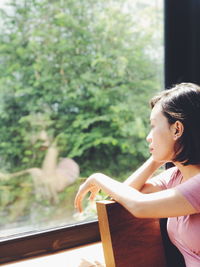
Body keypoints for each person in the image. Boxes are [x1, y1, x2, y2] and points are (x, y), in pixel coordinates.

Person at [74, 82, 200, 267]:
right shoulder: (175, 176)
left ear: (177, 129)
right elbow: (121, 197)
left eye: (153, 126)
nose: (148, 136)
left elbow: (139, 206)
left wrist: (97, 178)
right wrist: (157, 158)